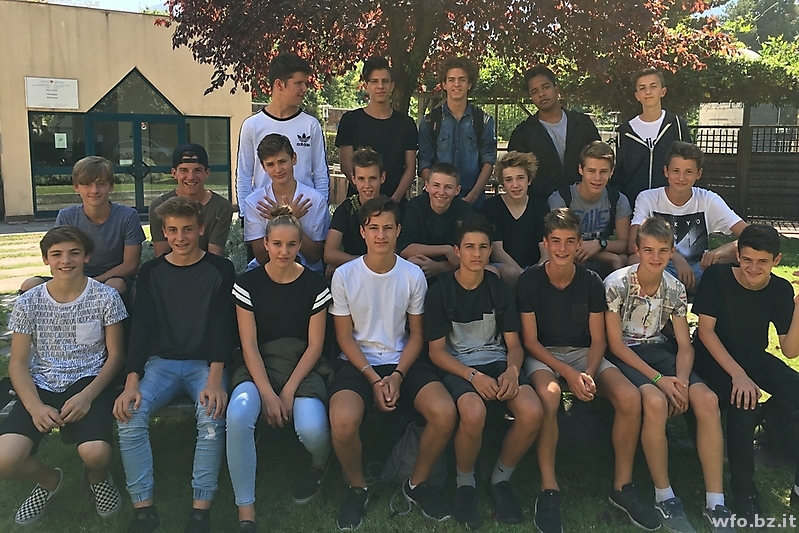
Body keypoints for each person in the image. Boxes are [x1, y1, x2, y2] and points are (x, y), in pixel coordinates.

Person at [517, 208, 657, 533]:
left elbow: (598, 339)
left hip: (584, 354)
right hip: (544, 354)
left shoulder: (591, 281)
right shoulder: (529, 280)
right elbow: (530, 341)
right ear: (545, 243)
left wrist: (589, 373)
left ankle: (622, 486)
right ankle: (548, 489)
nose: (562, 248)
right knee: (550, 396)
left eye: (570, 241)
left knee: (629, 397)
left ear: (580, 243)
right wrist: (568, 375)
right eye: (556, 241)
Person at [328, 197, 456, 530]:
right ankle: (357, 487)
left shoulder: (412, 275)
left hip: (404, 360)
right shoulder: (344, 275)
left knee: (444, 413)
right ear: (362, 232)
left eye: (388, 228)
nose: (381, 235)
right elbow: (344, 337)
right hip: (357, 362)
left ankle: (417, 484)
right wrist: (373, 379)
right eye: (373, 228)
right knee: (342, 420)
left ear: (399, 230)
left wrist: (398, 376)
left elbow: (417, 335)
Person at [114, 196, 236, 533]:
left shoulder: (221, 269)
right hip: (161, 364)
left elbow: (222, 328)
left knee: (211, 415)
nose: (180, 237)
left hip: (205, 365)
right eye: (172, 231)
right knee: (130, 415)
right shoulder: (151, 272)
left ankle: (200, 511)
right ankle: (144, 511)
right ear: (163, 233)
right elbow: (141, 330)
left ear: (201, 229)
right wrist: (131, 382)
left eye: (187, 229)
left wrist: (215, 379)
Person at [605, 217, 735, 533]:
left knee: (706, 399)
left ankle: (715, 501)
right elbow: (615, 345)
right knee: (655, 401)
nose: (655, 257)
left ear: (672, 251)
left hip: (658, 350)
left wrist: (683, 382)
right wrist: (659, 380)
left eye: (663, 250)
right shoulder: (616, 284)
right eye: (648, 250)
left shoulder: (674, 287)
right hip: (625, 354)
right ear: (637, 250)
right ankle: (664, 496)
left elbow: (684, 345)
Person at [0, 226, 127, 525]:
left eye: (74, 253)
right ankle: (49, 480)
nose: (65, 260)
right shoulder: (29, 302)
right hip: (42, 383)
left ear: (87, 257)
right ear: (46, 259)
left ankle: (98, 477)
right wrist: (35, 407)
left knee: (95, 453)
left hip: (89, 382)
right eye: (56, 254)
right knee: (4, 460)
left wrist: (87, 397)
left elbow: (116, 356)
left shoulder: (106, 297)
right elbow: (17, 363)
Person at [426, 214, 543, 528]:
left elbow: (514, 344)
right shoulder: (440, 291)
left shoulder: (499, 288)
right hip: (459, 366)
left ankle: (500, 478)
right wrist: (472, 376)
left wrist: (512, 371)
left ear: (491, 250)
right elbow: (436, 352)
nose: (476, 254)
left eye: (483, 247)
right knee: (473, 411)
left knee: (532, 410)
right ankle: (464, 484)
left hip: (497, 361)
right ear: (457, 251)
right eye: (469, 247)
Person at [227, 206, 333, 533]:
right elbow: (248, 345)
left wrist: (286, 393)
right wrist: (267, 395)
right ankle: (246, 510)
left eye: (290, 244)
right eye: (276, 244)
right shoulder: (247, 283)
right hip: (259, 364)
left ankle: (320, 464)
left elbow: (315, 346)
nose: (283, 251)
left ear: (300, 245)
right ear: (265, 244)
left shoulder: (315, 284)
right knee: (238, 415)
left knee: (312, 429)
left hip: (301, 364)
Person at [693, 224, 799, 525]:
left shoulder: (780, 289)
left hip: (753, 356)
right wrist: (738, 375)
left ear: (776, 260)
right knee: (744, 403)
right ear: (738, 255)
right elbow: (706, 332)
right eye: (747, 259)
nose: (753, 268)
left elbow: (790, 350)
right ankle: (744, 493)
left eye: (762, 261)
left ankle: (796, 483)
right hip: (712, 357)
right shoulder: (717, 277)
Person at [629, 141, 747, 293]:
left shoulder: (708, 199)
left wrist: (724, 249)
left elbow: (752, 236)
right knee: (634, 260)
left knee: (740, 255)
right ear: (666, 171)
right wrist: (675, 257)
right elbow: (633, 245)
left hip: (700, 269)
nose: (681, 178)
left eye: (688, 172)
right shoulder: (648, 198)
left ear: (699, 174)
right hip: (661, 266)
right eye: (676, 171)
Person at [21, 156, 145, 297]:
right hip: (74, 277)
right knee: (30, 284)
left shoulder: (127, 216)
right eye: (87, 184)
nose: (94, 190)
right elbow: (57, 259)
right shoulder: (66, 216)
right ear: (76, 187)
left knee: (114, 285)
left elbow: (131, 266)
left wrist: (93, 283)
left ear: (111, 186)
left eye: (101, 184)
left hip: (113, 278)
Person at [236, 52, 329, 204]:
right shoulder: (252, 125)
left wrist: (321, 209)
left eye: (305, 83)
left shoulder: (311, 125)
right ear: (279, 84)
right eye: (298, 83)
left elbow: (321, 174)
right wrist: (245, 212)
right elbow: (244, 175)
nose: (304, 89)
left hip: (304, 210)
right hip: (264, 211)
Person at [507, 65, 601, 201]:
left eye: (546, 87)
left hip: (583, 202)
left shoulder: (582, 124)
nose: (541, 94)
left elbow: (600, 160)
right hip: (542, 205)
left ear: (556, 89)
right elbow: (516, 174)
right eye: (534, 91)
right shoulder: (523, 134)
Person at [335, 57, 418, 204]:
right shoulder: (351, 120)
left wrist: (394, 199)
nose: (380, 86)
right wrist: (367, 195)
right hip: (359, 203)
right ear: (366, 86)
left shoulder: (406, 124)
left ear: (392, 85)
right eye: (374, 81)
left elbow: (410, 168)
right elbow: (346, 165)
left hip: (395, 203)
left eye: (385, 81)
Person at [242, 134, 328, 274]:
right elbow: (261, 257)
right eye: (270, 164)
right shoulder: (254, 202)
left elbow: (315, 256)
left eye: (282, 161)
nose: (278, 169)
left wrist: (289, 220)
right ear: (263, 167)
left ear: (294, 158)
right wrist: (284, 219)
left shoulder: (316, 200)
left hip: (307, 274)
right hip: (265, 274)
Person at [418, 56, 497, 207]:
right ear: (444, 84)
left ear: (469, 84)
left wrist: (472, 197)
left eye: (462, 79)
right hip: (437, 203)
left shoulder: (483, 121)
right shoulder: (430, 121)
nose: (456, 84)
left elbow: (488, 161)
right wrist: (439, 193)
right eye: (451, 79)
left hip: (473, 203)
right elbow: (424, 162)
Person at [548, 141, 631, 275]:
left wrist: (600, 244)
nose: (597, 178)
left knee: (623, 259)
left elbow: (625, 244)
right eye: (591, 171)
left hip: (601, 257)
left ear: (611, 172)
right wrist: (610, 257)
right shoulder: (562, 198)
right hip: (572, 259)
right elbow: (561, 244)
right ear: (580, 169)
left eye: (603, 171)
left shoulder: (618, 199)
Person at [611, 68, 690, 209]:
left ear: (663, 91)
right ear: (637, 95)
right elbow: (620, 173)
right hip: (634, 205)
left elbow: (690, 163)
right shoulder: (625, 131)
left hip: (670, 205)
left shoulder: (677, 125)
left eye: (653, 86)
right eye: (642, 88)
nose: (648, 92)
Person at [148, 143, 235, 257]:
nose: (191, 177)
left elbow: (215, 256)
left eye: (197, 170)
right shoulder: (159, 206)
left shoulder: (221, 207)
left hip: (207, 266)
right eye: (183, 170)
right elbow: (161, 256)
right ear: (174, 173)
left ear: (207, 173)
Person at [478, 150, 548, 288]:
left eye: (520, 178)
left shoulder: (540, 208)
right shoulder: (490, 207)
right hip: (504, 268)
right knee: (509, 272)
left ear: (529, 180)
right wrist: (524, 277)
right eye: (509, 180)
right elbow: (497, 252)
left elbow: (545, 250)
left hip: (534, 269)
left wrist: (536, 274)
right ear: (502, 183)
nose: (515, 185)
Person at [398, 162, 474, 279]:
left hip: (453, 270)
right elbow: (404, 248)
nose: (441, 192)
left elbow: (471, 252)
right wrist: (446, 250)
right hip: (423, 267)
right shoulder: (415, 206)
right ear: (427, 186)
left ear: (457, 190)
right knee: (413, 261)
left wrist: (440, 267)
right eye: (436, 185)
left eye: (448, 187)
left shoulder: (464, 210)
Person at [324, 147, 385, 269]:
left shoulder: (390, 209)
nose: (367, 185)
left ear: (382, 178)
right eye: (361, 179)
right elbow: (329, 253)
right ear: (353, 179)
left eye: (372, 178)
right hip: (354, 270)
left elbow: (398, 250)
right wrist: (364, 262)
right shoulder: (345, 209)